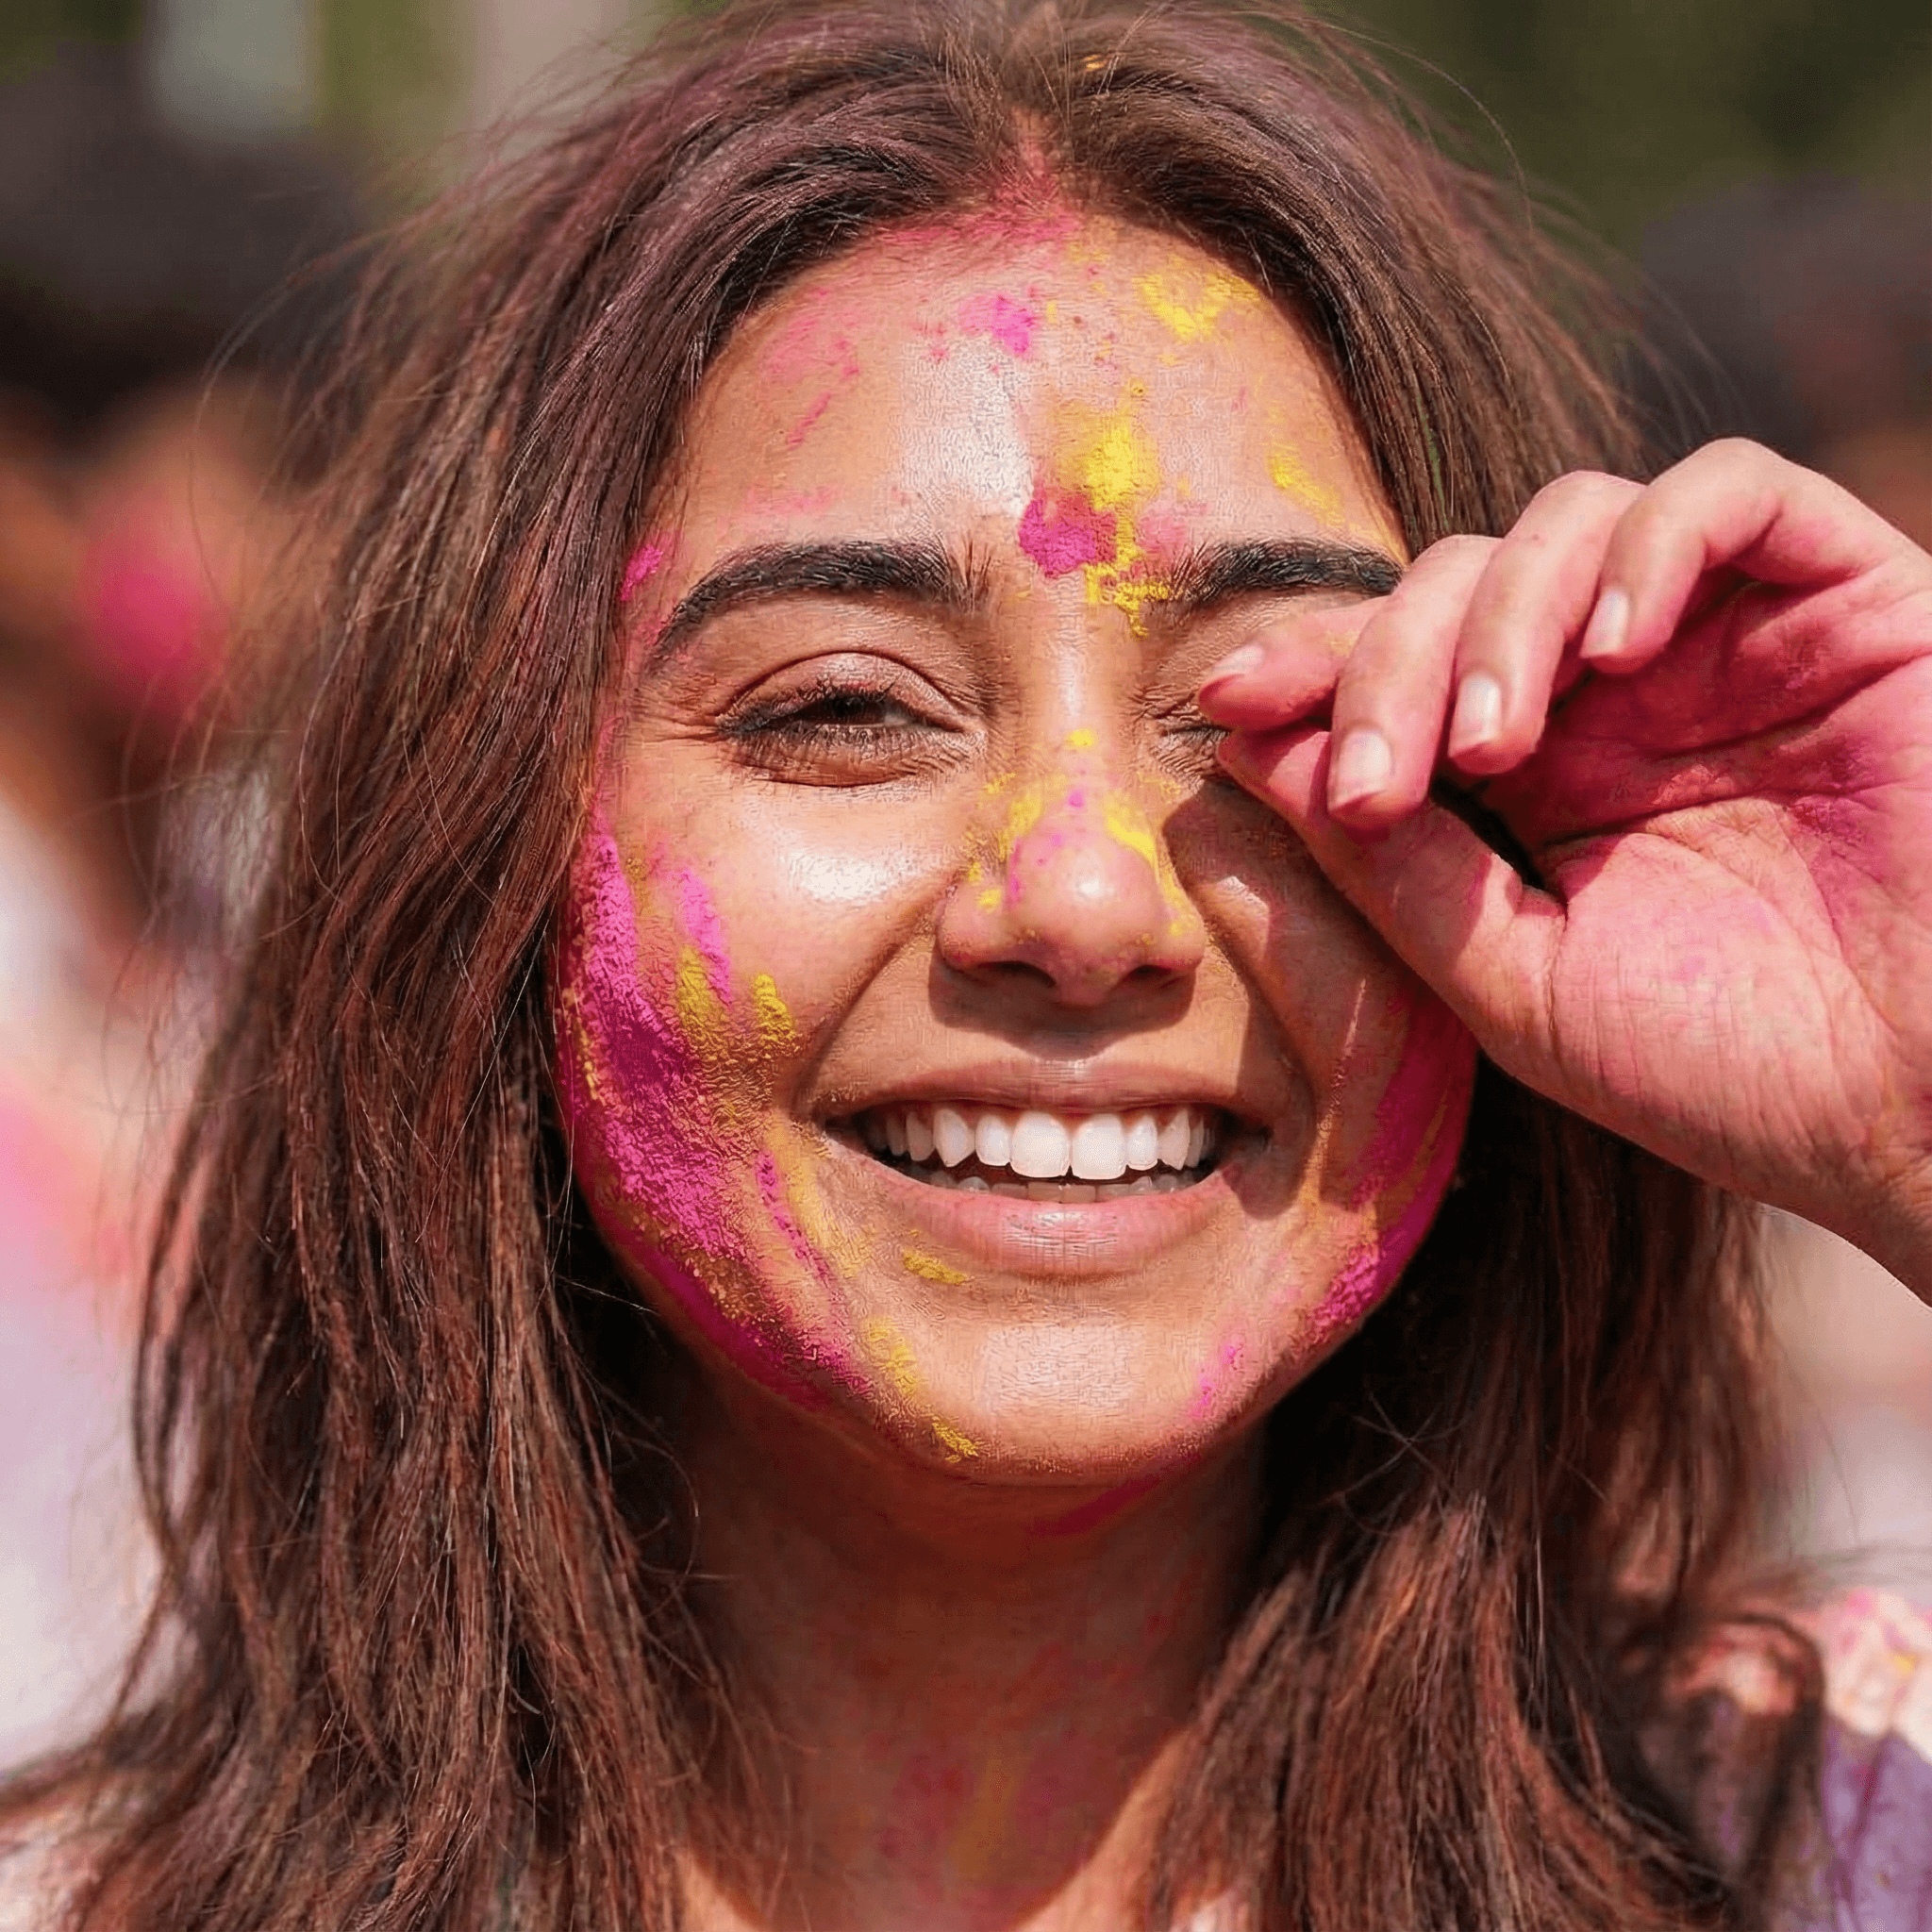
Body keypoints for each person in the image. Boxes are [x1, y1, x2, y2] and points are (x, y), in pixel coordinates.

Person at [3, 1, 1928, 1925]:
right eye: (846, 708)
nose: (1084, 904)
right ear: (478, 850)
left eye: (1279, 720)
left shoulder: (1840, 1846)